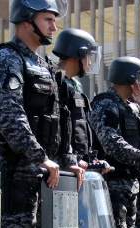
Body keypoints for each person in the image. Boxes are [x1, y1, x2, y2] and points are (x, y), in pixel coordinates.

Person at [0, 0, 85, 228]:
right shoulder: (6, 58)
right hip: (16, 174)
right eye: (48, 20)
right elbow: (9, 115)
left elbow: (63, 118)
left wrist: (68, 158)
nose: (53, 27)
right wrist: (40, 157)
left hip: (47, 178)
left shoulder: (47, 67)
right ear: (27, 20)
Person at [88, 56, 140, 228]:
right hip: (111, 185)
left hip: (132, 185)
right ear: (130, 80)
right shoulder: (105, 104)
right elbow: (111, 142)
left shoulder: (134, 107)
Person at [52, 28, 110, 174]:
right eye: (89, 57)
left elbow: (79, 127)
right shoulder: (54, 82)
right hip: (60, 168)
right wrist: (71, 160)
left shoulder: (75, 85)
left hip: (77, 167)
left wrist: (90, 159)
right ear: (79, 53)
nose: (90, 63)